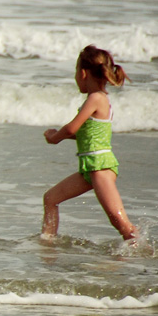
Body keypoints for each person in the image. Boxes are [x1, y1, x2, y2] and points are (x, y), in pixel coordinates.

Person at [42, 45, 136, 241]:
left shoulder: (96, 98)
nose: (75, 78)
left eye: (75, 72)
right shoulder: (97, 99)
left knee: (122, 225)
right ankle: (47, 242)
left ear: (83, 73)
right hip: (90, 168)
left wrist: (55, 137)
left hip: (100, 167)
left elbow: (71, 129)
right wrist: (62, 134)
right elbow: (83, 134)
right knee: (50, 199)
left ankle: (143, 252)